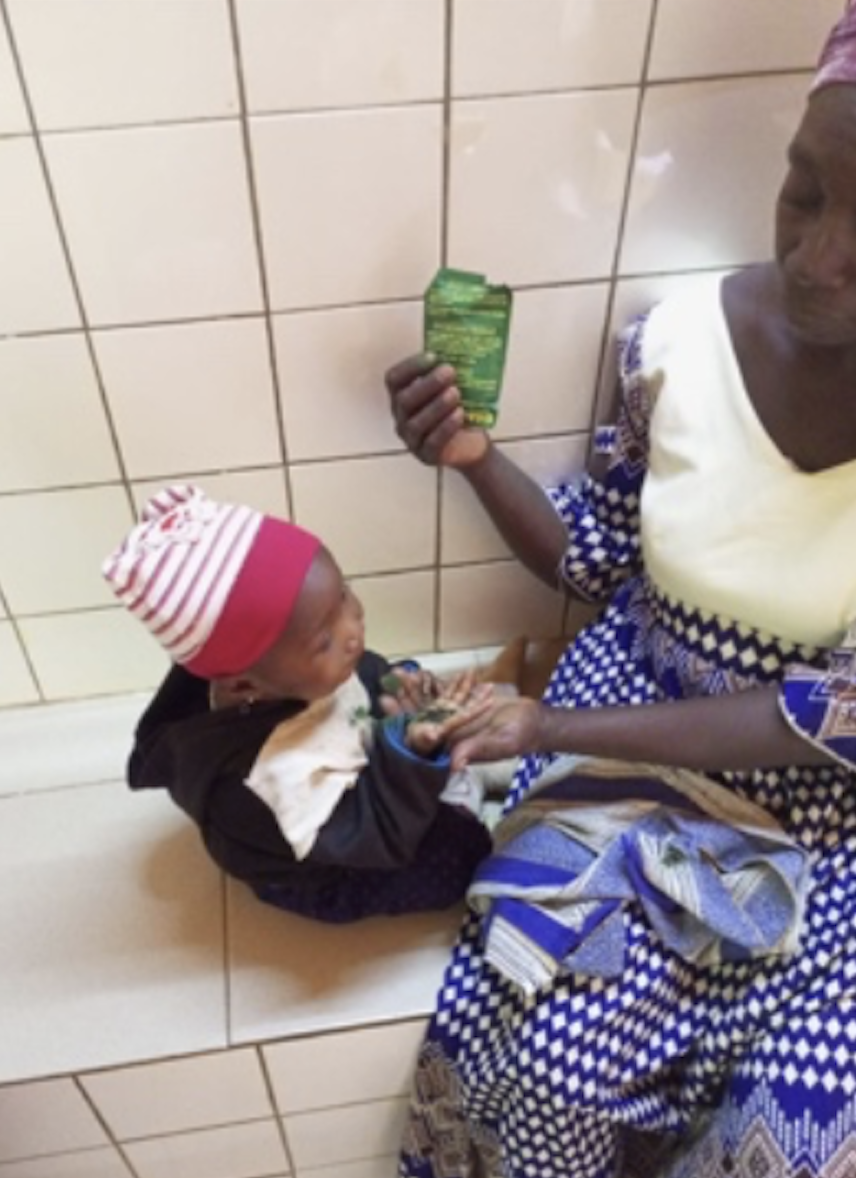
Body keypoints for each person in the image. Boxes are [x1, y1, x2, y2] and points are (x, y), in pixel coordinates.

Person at [386, 6, 856, 1175]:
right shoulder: (672, 342)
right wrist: (472, 456)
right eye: (803, 191)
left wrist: (548, 725)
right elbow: (592, 553)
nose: (817, 257)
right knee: (551, 1057)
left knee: (802, 1136)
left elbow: (826, 718)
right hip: (632, 714)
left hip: (819, 801)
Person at [101, 483, 496, 924]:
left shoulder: (288, 671)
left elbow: (358, 678)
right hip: (326, 858)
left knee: (414, 719)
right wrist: (413, 752)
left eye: (344, 594)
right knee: (460, 859)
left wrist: (399, 689)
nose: (353, 628)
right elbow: (372, 838)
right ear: (244, 684)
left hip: (349, 787)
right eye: (324, 640)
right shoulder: (274, 772)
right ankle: (447, 795)